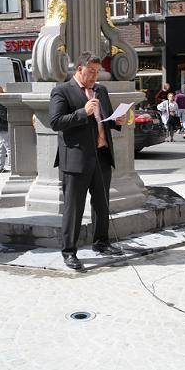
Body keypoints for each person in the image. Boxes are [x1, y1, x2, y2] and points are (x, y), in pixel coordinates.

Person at [49, 51, 127, 270]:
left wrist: (117, 120)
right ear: (79, 69)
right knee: (74, 207)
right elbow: (55, 122)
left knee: (102, 204)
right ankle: (69, 251)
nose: (95, 76)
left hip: (101, 155)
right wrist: (82, 112)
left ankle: (101, 242)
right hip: (76, 159)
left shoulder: (101, 90)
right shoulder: (61, 91)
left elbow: (106, 120)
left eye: (97, 72)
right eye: (91, 72)